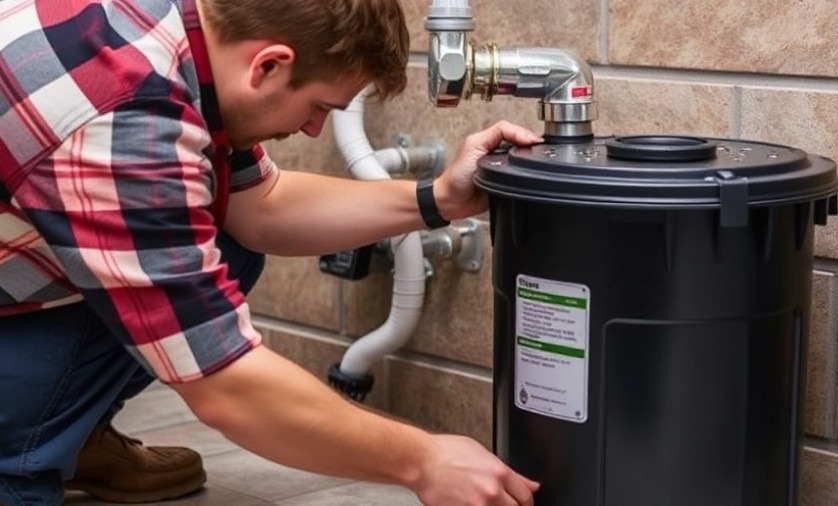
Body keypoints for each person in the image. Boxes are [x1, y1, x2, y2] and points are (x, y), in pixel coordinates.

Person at [0, 0, 544, 504]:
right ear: (268, 66)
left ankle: (70, 432)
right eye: (318, 106)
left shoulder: (174, 33)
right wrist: (424, 460)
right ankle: (21, 453)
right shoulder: (123, 125)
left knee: (222, 237)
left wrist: (439, 197)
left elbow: (261, 207)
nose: (313, 128)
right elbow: (224, 386)